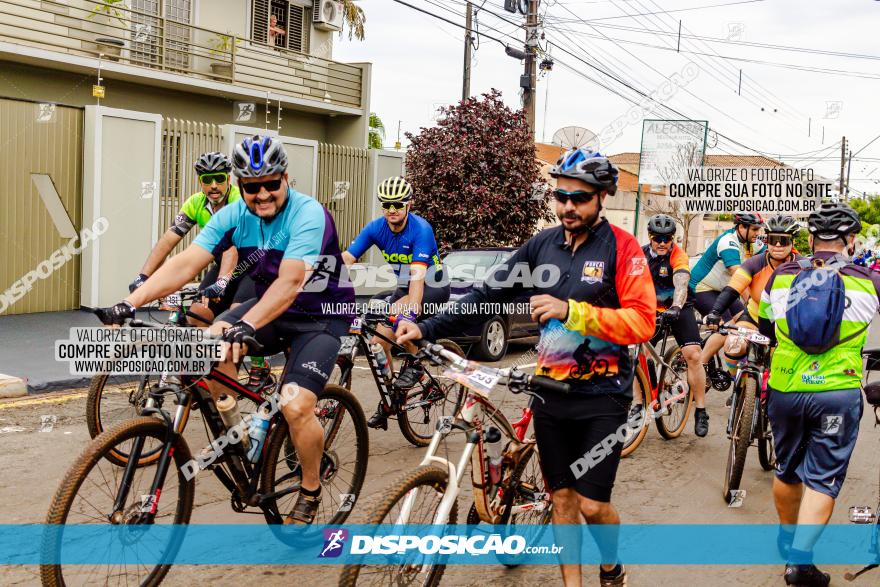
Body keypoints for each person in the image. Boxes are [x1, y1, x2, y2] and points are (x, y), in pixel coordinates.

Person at [397, 148, 657, 587]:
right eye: (561, 196)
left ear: (602, 198)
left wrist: (572, 311)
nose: (568, 206)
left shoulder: (623, 248)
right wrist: (425, 328)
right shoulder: (542, 245)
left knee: (592, 506)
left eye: (580, 198)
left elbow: (642, 321)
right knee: (561, 501)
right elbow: (486, 295)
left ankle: (611, 565)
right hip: (550, 393)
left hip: (603, 398)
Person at [99, 135, 355, 524]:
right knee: (207, 344)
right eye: (253, 187)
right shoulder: (234, 215)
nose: (263, 194)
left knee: (296, 405)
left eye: (272, 183)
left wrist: (247, 323)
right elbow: (187, 262)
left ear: (287, 179)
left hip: (319, 314)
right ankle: (240, 435)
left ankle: (310, 488)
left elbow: (289, 283)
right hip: (271, 306)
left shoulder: (309, 214)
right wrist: (130, 302)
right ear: (241, 187)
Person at [758, 202, 875, 586]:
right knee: (822, 478)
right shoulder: (869, 281)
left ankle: (787, 537)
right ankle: (799, 562)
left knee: (787, 468)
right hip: (836, 395)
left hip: (787, 390)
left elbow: (766, 326)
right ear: (851, 241)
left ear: (810, 239)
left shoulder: (781, 278)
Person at [341, 176, 450, 428]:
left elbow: (417, 279)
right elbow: (347, 257)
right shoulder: (375, 228)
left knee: (399, 319)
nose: (391, 210)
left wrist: (409, 313)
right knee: (378, 342)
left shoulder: (421, 229)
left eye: (397, 204)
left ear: (408, 204)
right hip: (404, 285)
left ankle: (418, 364)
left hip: (432, 285)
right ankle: (392, 398)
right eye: (386, 204)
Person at [705, 215, 802, 381]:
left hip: (787, 324)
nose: (777, 245)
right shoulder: (754, 263)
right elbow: (732, 289)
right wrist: (715, 312)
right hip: (754, 318)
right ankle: (739, 385)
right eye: (773, 240)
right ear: (767, 241)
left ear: (793, 242)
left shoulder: (804, 266)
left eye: (783, 240)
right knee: (733, 345)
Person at [638, 214, 708, 436]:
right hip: (651, 309)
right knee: (635, 352)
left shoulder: (678, 255)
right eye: (657, 238)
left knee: (693, 355)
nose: (661, 243)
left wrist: (676, 306)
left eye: (667, 239)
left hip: (679, 308)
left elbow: (681, 283)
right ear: (650, 237)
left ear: (672, 239)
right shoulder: (639, 255)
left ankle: (700, 410)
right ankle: (639, 406)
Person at [690, 212, 765, 385]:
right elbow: (740, 277)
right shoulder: (728, 241)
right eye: (754, 229)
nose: (757, 233)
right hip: (701, 288)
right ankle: (699, 368)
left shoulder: (750, 242)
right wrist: (751, 300)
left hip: (722, 290)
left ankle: (738, 382)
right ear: (741, 227)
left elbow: (772, 254)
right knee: (727, 331)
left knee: (743, 328)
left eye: (758, 229)